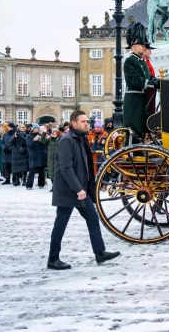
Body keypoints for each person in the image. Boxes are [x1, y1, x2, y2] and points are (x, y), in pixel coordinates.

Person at [47, 110, 120, 270]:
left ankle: (100, 252)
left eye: (87, 121)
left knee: (93, 219)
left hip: (81, 189)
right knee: (61, 224)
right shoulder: (67, 140)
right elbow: (66, 168)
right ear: (73, 124)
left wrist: (86, 187)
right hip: (69, 190)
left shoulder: (80, 138)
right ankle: (53, 259)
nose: (87, 123)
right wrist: (78, 188)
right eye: (83, 121)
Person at [123, 22, 159, 137]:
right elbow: (136, 80)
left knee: (143, 130)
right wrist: (153, 83)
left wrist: (158, 81)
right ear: (134, 46)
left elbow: (148, 77)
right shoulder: (130, 61)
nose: (144, 46)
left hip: (143, 101)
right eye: (142, 44)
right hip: (135, 102)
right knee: (135, 131)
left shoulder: (141, 62)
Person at [25, 124, 47, 189]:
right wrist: (34, 140)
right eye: (36, 128)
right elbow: (29, 146)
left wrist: (41, 139)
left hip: (41, 155)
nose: (37, 129)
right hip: (33, 155)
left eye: (38, 128)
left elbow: (45, 144)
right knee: (31, 171)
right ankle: (29, 185)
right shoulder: (29, 136)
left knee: (41, 171)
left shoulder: (41, 135)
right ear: (33, 129)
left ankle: (41, 184)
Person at [45, 128, 61, 192]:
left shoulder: (60, 139)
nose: (55, 133)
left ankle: (56, 186)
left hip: (58, 158)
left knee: (57, 173)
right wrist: (44, 133)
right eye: (54, 132)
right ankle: (53, 186)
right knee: (51, 173)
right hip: (50, 158)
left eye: (56, 132)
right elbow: (43, 141)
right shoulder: (50, 139)